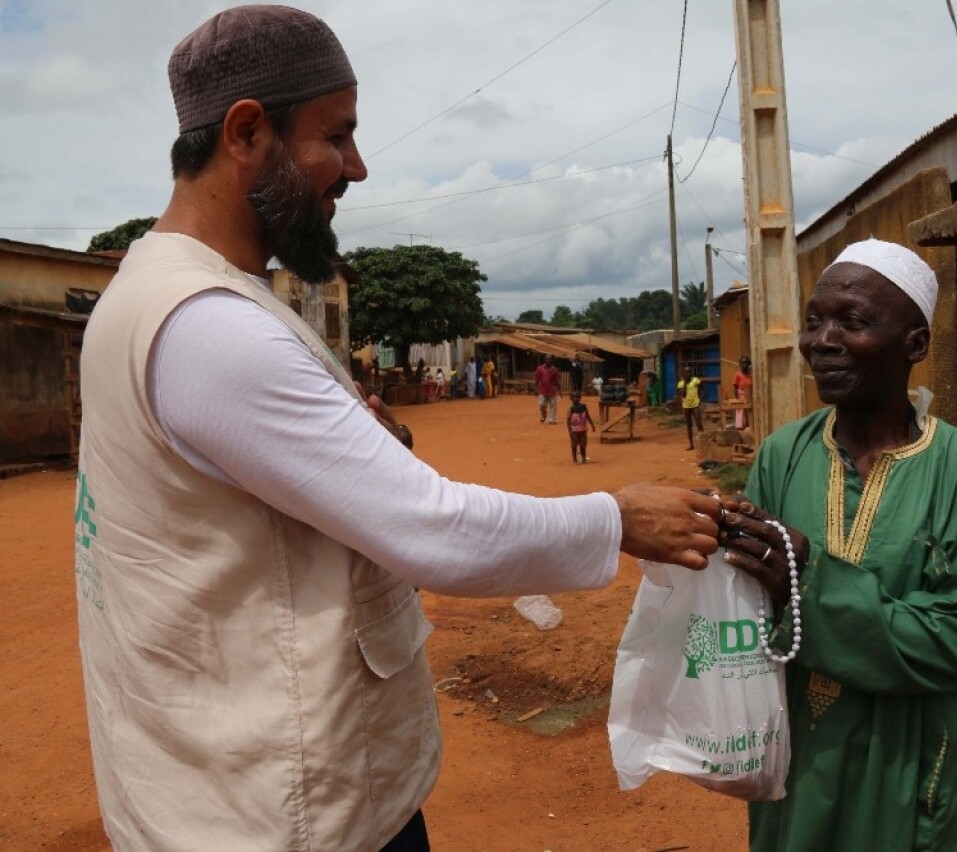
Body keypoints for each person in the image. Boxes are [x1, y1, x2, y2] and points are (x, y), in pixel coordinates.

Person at [73, 8, 722, 851]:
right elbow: (435, 532)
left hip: (220, 792)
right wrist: (619, 519)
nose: (357, 167)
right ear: (245, 132)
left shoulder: (155, 290)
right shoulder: (211, 327)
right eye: (335, 136)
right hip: (283, 820)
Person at [720, 238, 957, 851]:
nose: (821, 342)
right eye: (814, 321)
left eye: (852, 322)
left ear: (916, 345)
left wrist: (808, 578)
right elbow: (743, 614)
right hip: (798, 754)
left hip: (905, 767)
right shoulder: (782, 454)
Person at [676, 364, 703, 451]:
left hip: (695, 405)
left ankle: (704, 443)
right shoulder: (681, 383)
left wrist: (700, 399)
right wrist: (685, 383)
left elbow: (703, 388)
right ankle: (691, 444)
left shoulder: (695, 380)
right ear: (683, 373)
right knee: (689, 425)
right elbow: (683, 394)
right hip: (686, 406)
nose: (688, 374)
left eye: (689, 372)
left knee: (699, 423)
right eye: (686, 372)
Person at [566, 391, 596, 463]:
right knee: (574, 446)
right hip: (574, 431)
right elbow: (568, 421)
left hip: (583, 430)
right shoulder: (570, 409)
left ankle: (583, 458)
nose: (575, 399)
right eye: (574, 397)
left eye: (577, 397)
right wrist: (570, 431)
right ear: (570, 398)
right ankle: (574, 459)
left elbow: (587, 416)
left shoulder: (583, 407)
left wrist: (592, 425)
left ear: (580, 398)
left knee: (583, 445)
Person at [534, 353, 560, 424]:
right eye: (547, 358)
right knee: (542, 404)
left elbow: (558, 381)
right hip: (542, 390)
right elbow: (537, 379)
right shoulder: (540, 368)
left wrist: (560, 391)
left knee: (553, 406)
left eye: (550, 359)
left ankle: (551, 419)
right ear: (545, 359)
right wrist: (536, 389)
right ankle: (543, 414)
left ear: (552, 360)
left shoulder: (555, 370)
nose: (548, 360)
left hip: (552, 390)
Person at [732, 355, 753, 429]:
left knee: (749, 412)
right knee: (740, 412)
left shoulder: (751, 375)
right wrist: (737, 399)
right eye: (742, 363)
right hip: (741, 395)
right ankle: (740, 428)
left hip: (750, 395)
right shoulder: (737, 375)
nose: (744, 365)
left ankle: (749, 426)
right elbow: (735, 387)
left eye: (746, 363)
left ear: (749, 364)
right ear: (740, 365)